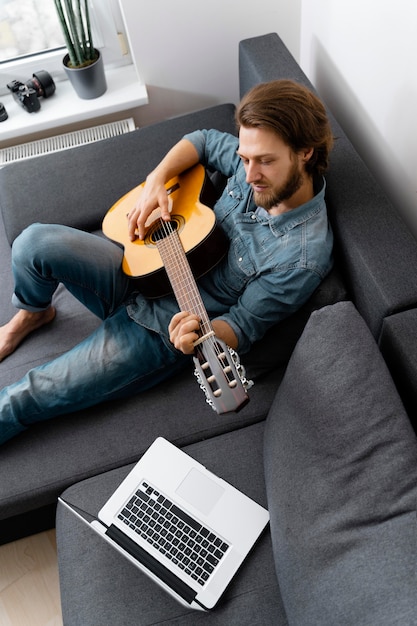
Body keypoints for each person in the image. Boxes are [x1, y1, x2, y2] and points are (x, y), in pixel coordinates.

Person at [0, 79, 334, 445]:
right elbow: (203, 140)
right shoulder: (255, 159)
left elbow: (242, 327)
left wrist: (194, 338)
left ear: (305, 152)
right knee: (32, 242)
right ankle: (35, 312)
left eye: (265, 162)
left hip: (159, 329)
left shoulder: (301, 258)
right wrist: (155, 182)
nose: (250, 175)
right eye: (244, 159)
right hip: (140, 268)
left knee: (25, 396)